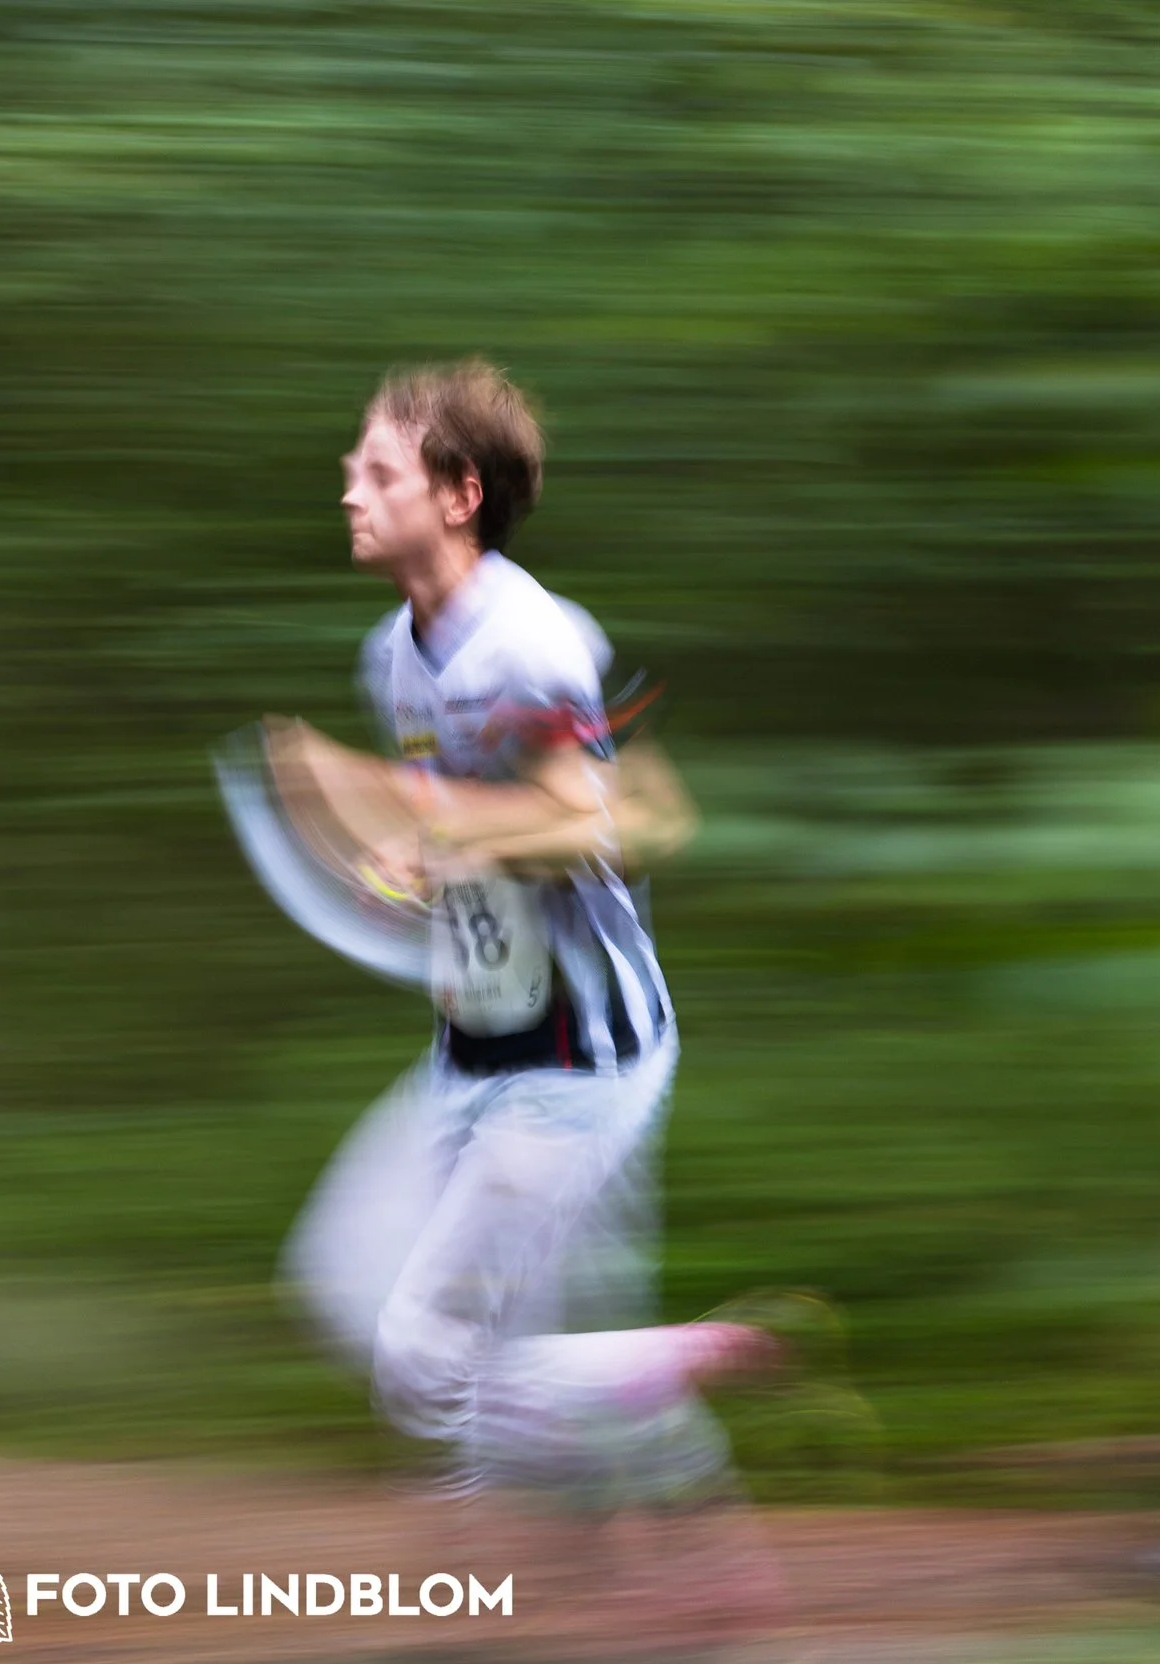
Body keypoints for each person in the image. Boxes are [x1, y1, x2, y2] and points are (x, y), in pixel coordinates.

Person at [246, 359, 814, 1513]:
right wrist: (404, 869)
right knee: (357, 1288)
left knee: (424, 1349)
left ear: (457, 493)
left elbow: (610, 824)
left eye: (376, 469)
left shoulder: (527, 641)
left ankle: (649, 1388)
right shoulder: (395, 654)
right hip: (477, 1049)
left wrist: (403, 807)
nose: (347, 489)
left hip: (578, 1062)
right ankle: (661, 1488)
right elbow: (482, 843)